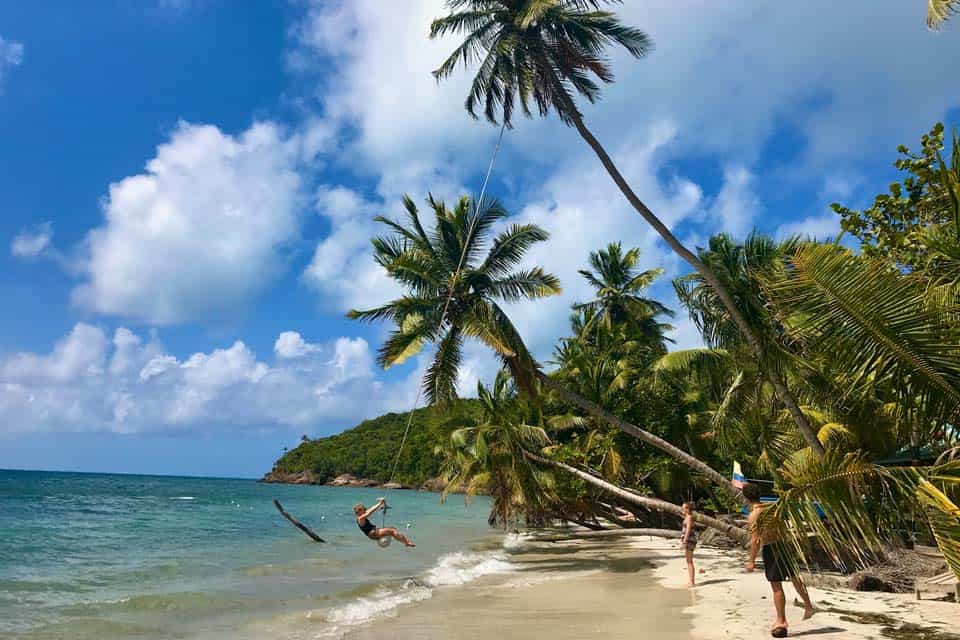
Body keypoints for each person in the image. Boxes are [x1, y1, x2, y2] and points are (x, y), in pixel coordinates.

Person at [743, 483, 815, 637]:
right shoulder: (771, 507)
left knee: (776, 586)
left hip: (771, 549)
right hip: (784, 545)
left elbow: (755, 540)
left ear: (746, 498)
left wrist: (751, 561)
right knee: (795, 577)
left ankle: (781, 620)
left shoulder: (754, 515)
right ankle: (808, 606)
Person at [680, 501, 698, 587]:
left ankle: (692, 582)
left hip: (690, 540)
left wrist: (684, 542)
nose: (682, 509)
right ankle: (691, 581)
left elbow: (688, 531)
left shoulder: (689, 517)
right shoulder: (687, 517)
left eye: (683, 508)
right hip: (689, 540)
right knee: (688, 561)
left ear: (687, 509)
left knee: (689, 561)